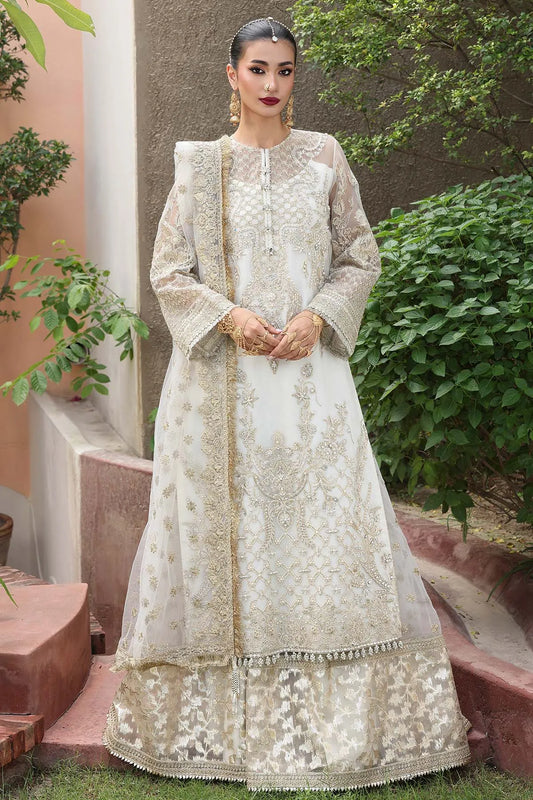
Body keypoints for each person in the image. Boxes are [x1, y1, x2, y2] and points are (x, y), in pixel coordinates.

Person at [102, 16, 472, 791]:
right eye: (258, 68)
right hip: (221, 388)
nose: (272, 84)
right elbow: (170, 272)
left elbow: (357, 253)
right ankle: (219, 737)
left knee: (324, 531)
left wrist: (316, 317)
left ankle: (347, 725)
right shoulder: (200, 168)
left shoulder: (324, 158)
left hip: (310, 387)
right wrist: (231, 316)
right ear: (230, 76)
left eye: (285, 71)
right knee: (232, 535)